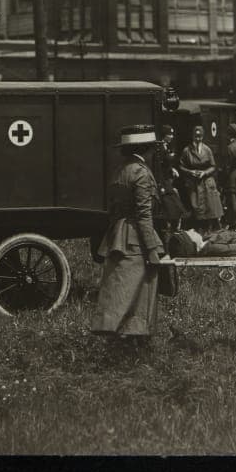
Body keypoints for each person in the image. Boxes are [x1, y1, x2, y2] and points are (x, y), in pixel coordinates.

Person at [91, 125, 167, 341]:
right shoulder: (141, 172)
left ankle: (115, 333)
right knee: (139, 288)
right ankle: (133, 337)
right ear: (146, 149)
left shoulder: (120, 170)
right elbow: (144, 215)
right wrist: (152, 248)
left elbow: (114, 209)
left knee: (119, 285)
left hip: (119, 234)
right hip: (135, 236)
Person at [179, 125, 224, 232]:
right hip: (193, 182)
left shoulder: (207, 150)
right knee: (196, 206)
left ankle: (210, 229)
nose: (197, 139)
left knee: (210, 206)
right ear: (192, 136)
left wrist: (204, 172)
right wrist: (190, 172)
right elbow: (181, 166)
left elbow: (213, 166)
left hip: (206, 181)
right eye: (196, 136)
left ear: (202, 137)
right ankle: (198, 228)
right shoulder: (187, 150)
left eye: (200, 137)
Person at [152, 125, 186, 237]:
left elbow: (166, 164)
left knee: (176, 206)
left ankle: (174, 230)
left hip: (168, 181)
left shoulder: (166, 146)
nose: (171, 136)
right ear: (164, 135)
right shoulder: (160, 148)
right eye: (169, 134)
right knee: (172, 206)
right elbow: (158, 167)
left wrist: (172, 169)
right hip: (163, 182)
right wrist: (161, 185)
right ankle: (171, 231)